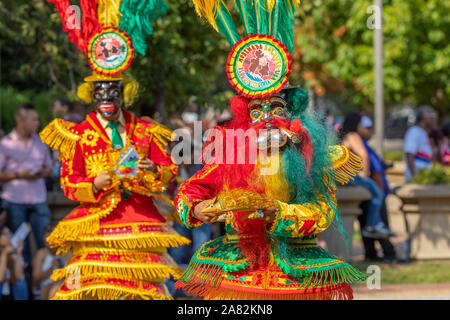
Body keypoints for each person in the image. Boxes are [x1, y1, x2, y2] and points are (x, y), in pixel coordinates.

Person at [174, 0, 367, 300]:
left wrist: (278, 212)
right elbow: (189, 190)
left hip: (296, 271)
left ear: (290, 112)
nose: (266, 119)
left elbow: (323, 213)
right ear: (244, 115)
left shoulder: (312, 154)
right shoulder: (230, 151)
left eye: (275, 108)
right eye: (256, 112)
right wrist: (199, 209)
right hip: (239, 272)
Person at [40, 0, 189, 300]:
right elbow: (68, 183)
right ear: (90, 95)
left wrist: (153, 171)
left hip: (140, 224)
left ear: (125, 93)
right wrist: (94, 184)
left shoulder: (146, 130)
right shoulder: (78, 135)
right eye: (100, 92)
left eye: (113, 92)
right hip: (96, 227)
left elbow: (169, 171)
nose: (107, 98)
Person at [0, 103, 52, 267]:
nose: (37, 123)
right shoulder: (5, 143)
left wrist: (42, 173)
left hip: (38, 199)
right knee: (19, 247)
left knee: (47, 243)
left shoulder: (41, 142)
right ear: (21, 121)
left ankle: (44, 284)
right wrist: (18, 175)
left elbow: (49, 167)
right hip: (14, 201)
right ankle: (24, 287)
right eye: (34, 120)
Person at [341, 113, 391, 239]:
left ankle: (376, 224)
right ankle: (371, 226)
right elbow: (363, 154)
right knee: (378, 193)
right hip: (352, 176)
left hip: (344, 175)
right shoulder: (353, 135)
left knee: (373, 194)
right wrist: (365, 173)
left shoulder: (344, 136)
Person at [357, 116, 397, 262]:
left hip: (371, 194)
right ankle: (388, 254)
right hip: (374, 195)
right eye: (367, 128)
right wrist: (381, 193)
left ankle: (371, 255)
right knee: (378, 226)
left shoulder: (365, 145)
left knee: (368, 226)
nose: (370, 131)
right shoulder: (360, 145)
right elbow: (375, 172)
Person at [32, 224, 67, 300]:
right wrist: (51, 268)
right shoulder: (41, 254)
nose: (49, 244)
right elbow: (35, 279)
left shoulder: (65, 253)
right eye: (47, 242)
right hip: (44, 290)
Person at [404, 105, 437, 182]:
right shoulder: (414, 132)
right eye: (432, 116)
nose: (434, 119)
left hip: (423, 178)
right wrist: (414, 178)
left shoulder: (424, 133)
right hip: (417, 178)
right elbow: (409, 155)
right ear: (424, 118)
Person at [0, 225, 28, 300]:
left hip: (10, 293)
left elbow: (19, 277)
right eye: (5, 234)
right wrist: (4, 253)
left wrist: (19, 252)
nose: (10, 236)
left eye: (10, 233)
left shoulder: (14, 253)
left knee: (20, 284)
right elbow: (0, 278)